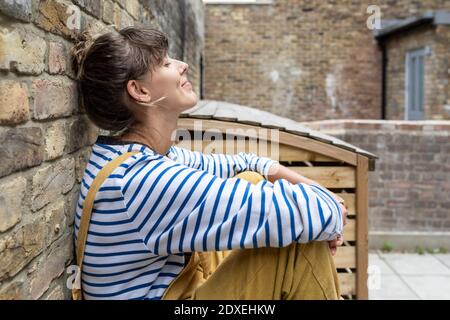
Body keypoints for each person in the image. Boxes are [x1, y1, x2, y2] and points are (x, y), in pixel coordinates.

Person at [71, 26, 348, 300]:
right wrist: (330, 209)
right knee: (300, 246)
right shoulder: (143, 181)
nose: (183, 65)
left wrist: (310, 187)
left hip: (174, 289)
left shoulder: (131, 157)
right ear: (140, 91)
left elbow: (244, 163)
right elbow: (316, 213)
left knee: (252, 180)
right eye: (166, 63)